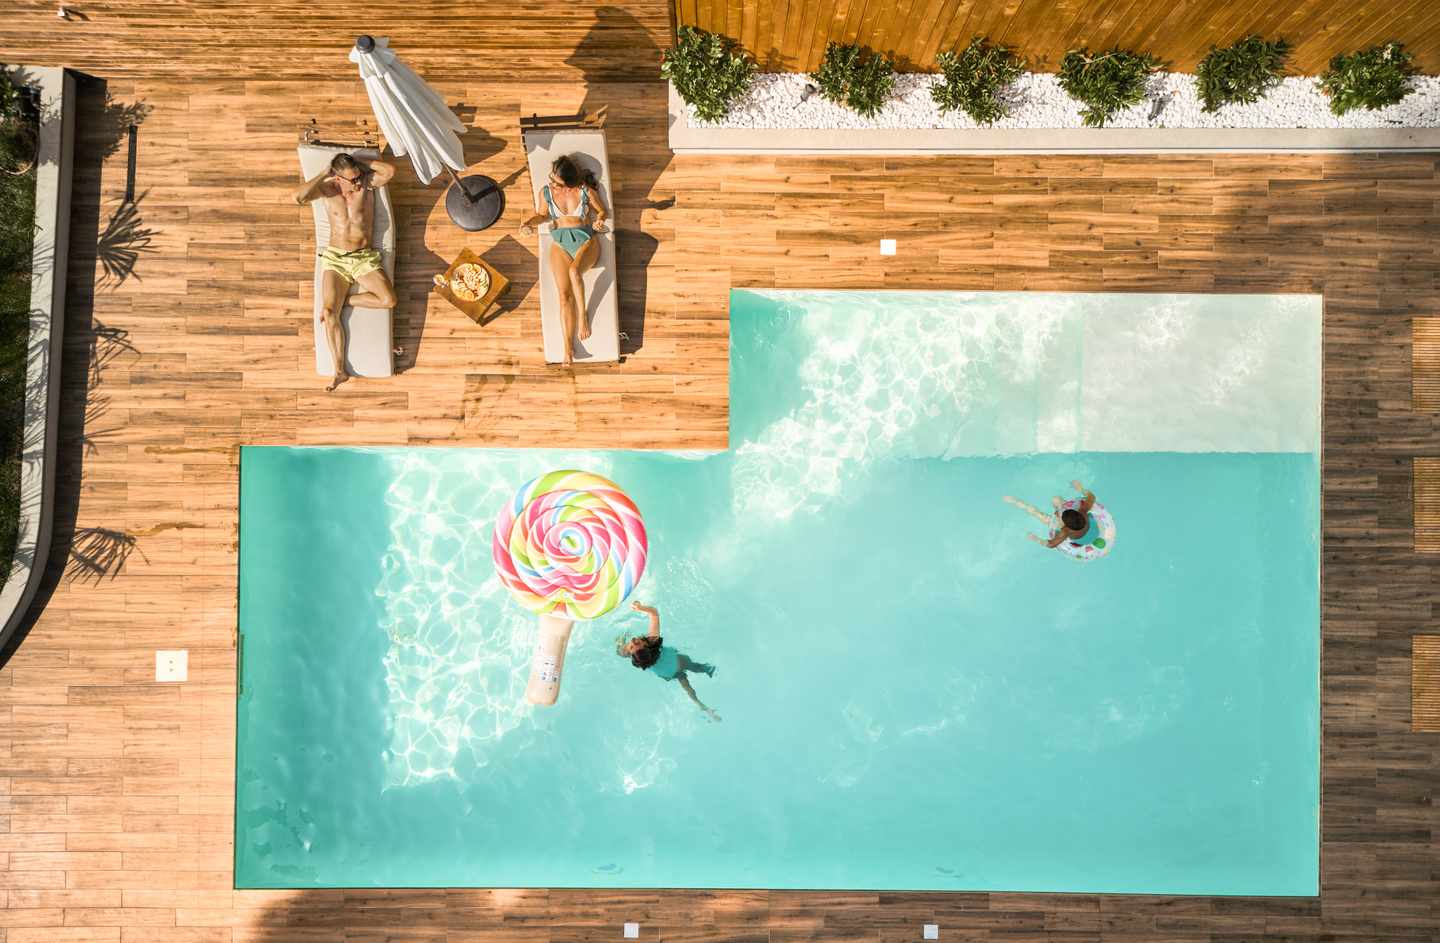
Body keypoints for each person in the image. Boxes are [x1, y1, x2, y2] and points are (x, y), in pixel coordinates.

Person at [294, 152, 397, 392]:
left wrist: (361, 161)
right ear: (337, 177)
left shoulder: (366, 184)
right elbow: (298, 197)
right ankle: (339, 371)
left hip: (363, 258)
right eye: (351, 179)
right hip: (336, 260)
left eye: (358, 176)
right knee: (330, 314)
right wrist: (322, 173)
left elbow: (390, 172)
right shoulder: (328, 190)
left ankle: (347, 300)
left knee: (389, 300)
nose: (357, 182)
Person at [519, 155, 610, 367]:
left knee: (574, 272)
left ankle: (583, 317)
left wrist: (599, 221)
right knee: (563, 295)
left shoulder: (585, 191)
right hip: (560, 243)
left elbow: (602, 210)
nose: (552, 183)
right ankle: (567, 348)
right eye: (551, 178)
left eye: (556, 182)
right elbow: (542, 214)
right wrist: (529, 223)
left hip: (586, 241)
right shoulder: (546, 192)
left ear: (568, 183)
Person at [617, 600, 720, 721]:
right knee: (695, 667)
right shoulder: (652, 641)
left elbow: (621, 652)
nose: (633, 640)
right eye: (635, 644)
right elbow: (654, 614)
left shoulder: (639, 659)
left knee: (687, 687)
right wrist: (641, 608)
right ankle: (709, 672)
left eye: (632, 645)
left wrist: (620, 644)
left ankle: (703, 707)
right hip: (678, 661)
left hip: (669, 674)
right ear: (646, 646)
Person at [1004, 479, 1098, 549]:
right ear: (1077, 512)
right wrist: (1080, 488)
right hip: (1088, 528)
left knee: (1038, 514)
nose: (1059, 514)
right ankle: (1059, 509)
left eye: (1061, 517)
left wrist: (1036, 539)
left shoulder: (1065, 531)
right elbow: (1092, 496)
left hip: (1080, 538)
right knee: (1056, 499)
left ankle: (1016, 502)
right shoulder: (1083, 510)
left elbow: (1051, 544)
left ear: (1064, 525)